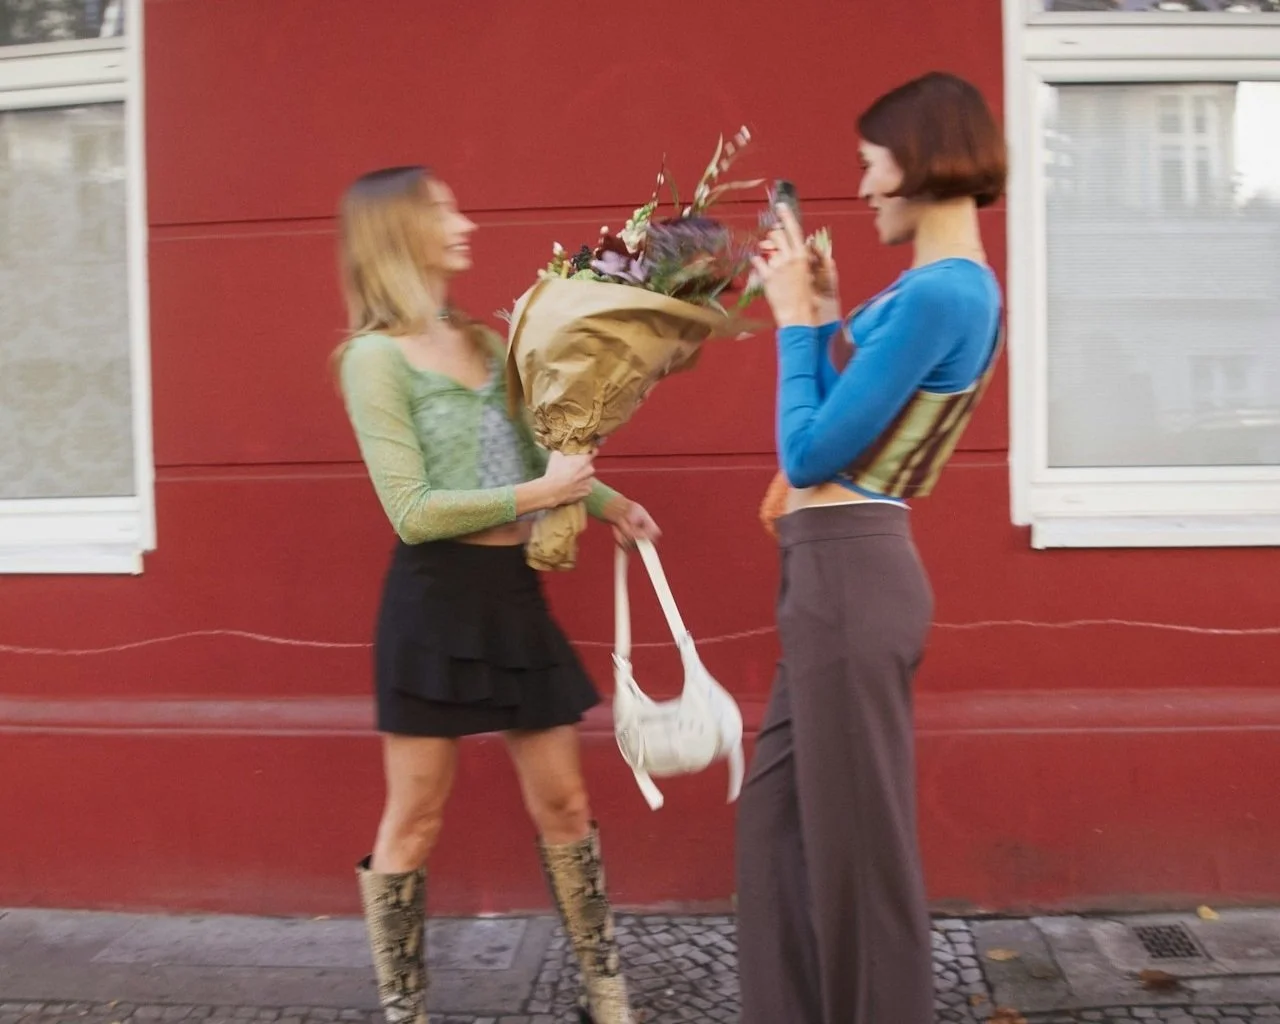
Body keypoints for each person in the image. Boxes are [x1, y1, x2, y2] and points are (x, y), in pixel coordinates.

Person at [335, 165, 657, 1024]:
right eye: (444, 211)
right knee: (415, 819)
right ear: (399, 232)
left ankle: (606, 995)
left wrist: (609, 504)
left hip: (512, 599)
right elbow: (410, 512)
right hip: (432, 604)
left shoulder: (483, 341)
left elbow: (538, 453)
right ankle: (405, 1010)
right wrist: (543, 496)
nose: (465, 223)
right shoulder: (372, 359)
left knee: (567, 804)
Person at [736, 72, 1008, 1024]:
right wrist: (824, 316)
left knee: (859, 860)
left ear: (922, 162)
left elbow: (812, 450)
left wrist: (794, 323)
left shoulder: (944, 292)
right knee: (774, 826)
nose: (860, 189)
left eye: (871, 165)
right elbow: (847, 411)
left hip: (851, 571)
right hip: (835, 571)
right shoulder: (939, 291)